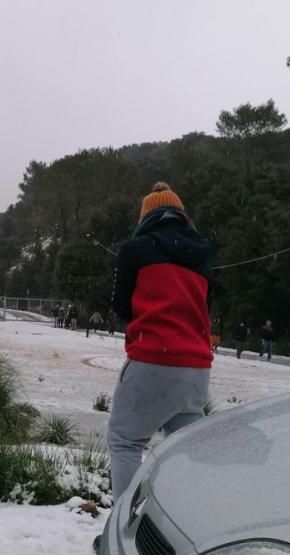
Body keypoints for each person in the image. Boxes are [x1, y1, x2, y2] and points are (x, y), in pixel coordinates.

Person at [106, 182, 212, 502]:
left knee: (125, 440)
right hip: (197, 367)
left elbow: (121, 305)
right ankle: (187, 522)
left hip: (154, 356)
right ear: (182, 215)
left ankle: (121, 529)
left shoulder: (135, 249)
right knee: (187, 448)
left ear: (146, 217)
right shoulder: (203, 253)